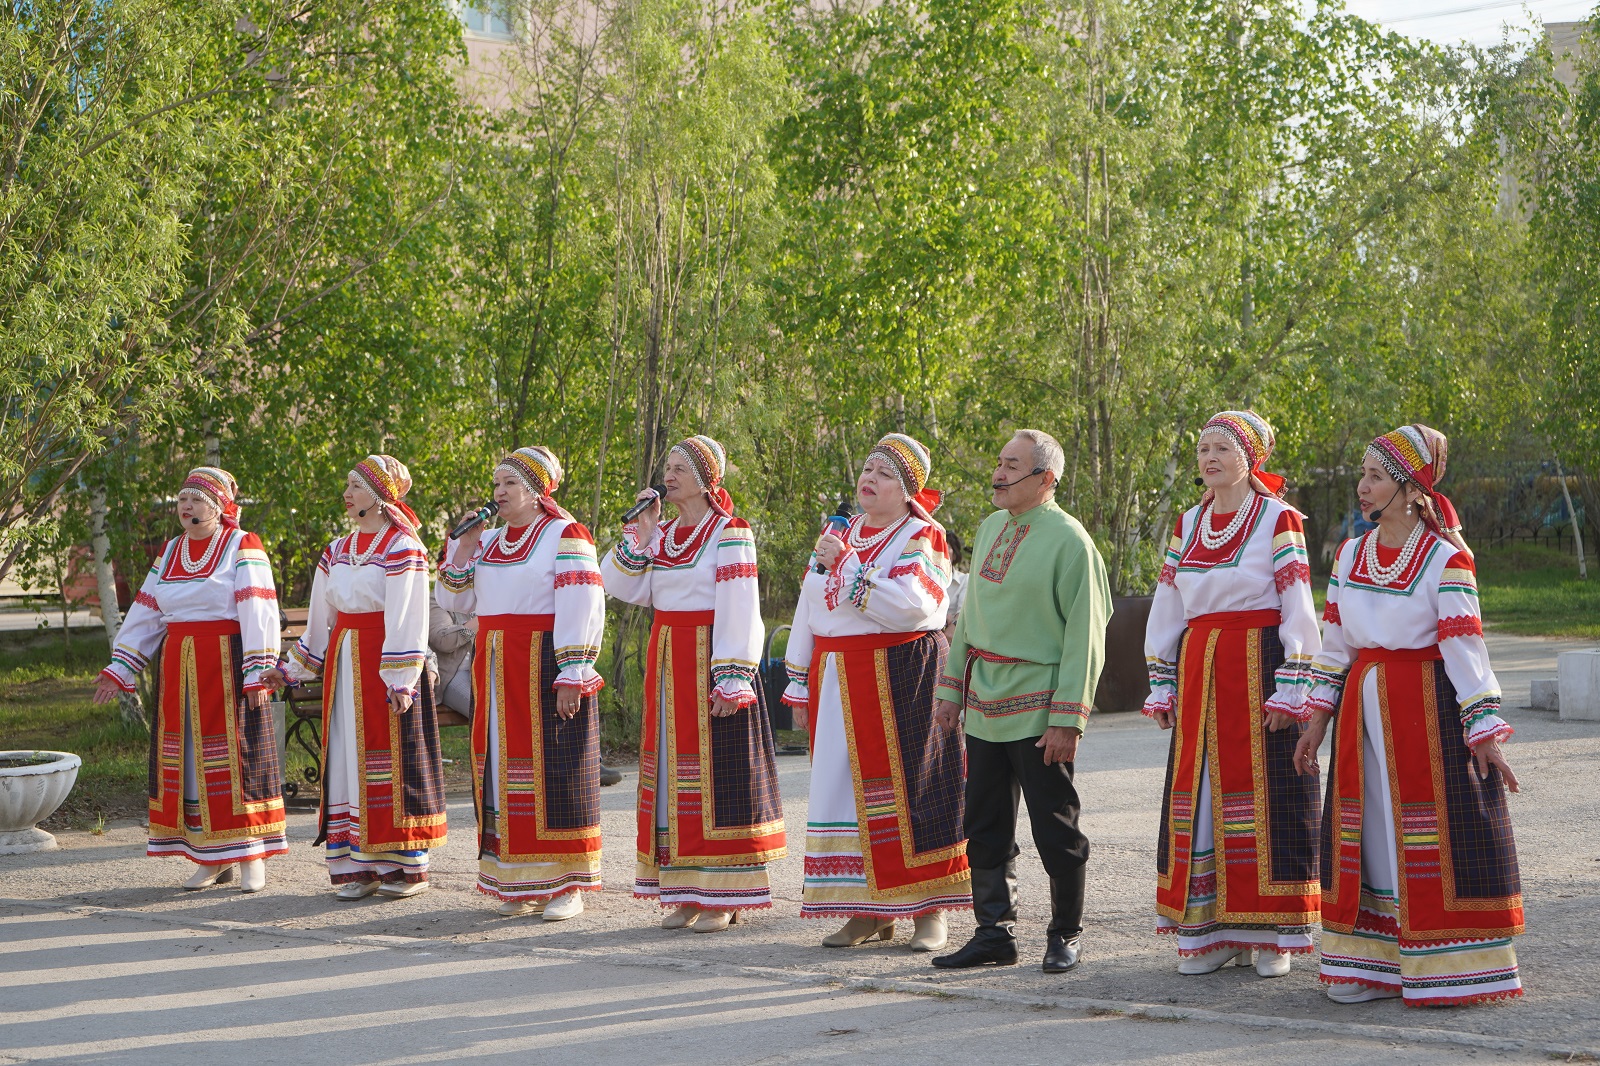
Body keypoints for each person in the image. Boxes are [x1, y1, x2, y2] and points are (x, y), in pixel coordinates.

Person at [1295, 425, 1523, 1007]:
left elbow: (1465, 648)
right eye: (1363, 476)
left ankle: (1441, 964)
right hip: (1361, 711)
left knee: (1422, 832)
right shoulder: (1351, 553)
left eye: (1375, 477)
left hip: (1424, 711)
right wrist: (1317, 719)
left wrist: (1484, 729)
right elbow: (1335, 642)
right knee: (1368, 829)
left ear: (1409, 488)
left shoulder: (1447, 559)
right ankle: (1367, 965)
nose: (1362, 488)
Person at [1142, 411, 1321, 978]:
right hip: (1201, 667)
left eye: (1223, 447)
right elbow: (1168, 603)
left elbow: (1298, 603)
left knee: (1270, 792)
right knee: (1201, 796)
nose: (1209, 457)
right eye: (1202, 448)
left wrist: (1294, 681)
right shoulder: (1188, 521)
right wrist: (1163, 676)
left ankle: (1271, 934)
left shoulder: (1279, 519)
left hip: (1260, 661)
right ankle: (1210, 929)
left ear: (1250, 458)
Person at [931, 429, 1111, 973]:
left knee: (1054, 823)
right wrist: (950, 689)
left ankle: (1064, 934)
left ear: (1046, 479)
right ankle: (994, 933)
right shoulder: (989, 528)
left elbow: (1087, 634)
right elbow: (968, 620)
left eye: (1014, 465)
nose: (999, 473)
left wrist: (1068, 718)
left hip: (1040, 707)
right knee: (983, 821)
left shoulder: (1071, 541)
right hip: (984, 701)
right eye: (1000, 461)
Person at [782, 433, 970, 952]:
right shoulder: (840, 535)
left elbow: (914, 602)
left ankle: (929, 910)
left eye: (885, 473)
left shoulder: (922, 536)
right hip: (838, 674)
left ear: (908, 489)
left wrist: (847, 568)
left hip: (901, 673)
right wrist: (797, 678)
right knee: (843, 790)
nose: (870, 478)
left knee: (916, 783)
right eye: (868, 468)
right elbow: (809, 604)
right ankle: (864, 909)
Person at [600, 434, 786, 932]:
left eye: (681, 468)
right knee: (671, 774)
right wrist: (641, 532)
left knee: (718, 772)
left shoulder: (730, 532)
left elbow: (742, 606)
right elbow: (618, 584)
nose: (669, 474)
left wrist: (732, 674)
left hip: (709, 656)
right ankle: (683, 889)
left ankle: (724, 892)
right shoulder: (661, 536)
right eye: (668, 466)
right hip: (668, 658)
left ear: (706, 479)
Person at [261, 454, 446, 900]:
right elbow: (321, 621)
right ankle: (356, 866)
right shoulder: (337, 549)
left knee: (391, 756)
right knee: (346, 754)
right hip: (346, 661)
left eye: (356, 486)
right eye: (347, 485)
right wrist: (289, 670)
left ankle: (403, 866)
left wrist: (401, 680)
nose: (347, 493)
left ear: (382, 497)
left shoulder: (405, 547)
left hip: (386, 662)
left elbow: (409, 618)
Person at [93, 468, 283, 893]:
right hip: (179, 666)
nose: (186, 505)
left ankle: (251, 854)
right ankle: (208, 857)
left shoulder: (241, 545)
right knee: (191, 762)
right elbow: (146, 612)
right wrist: (121, 667)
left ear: (217, 507)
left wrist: (258, 671)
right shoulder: (172, 550)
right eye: (182, 498)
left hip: (228, 663)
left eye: (196, 499)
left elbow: (259, 610)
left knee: (237, 754)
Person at [437, 447, 606, 922]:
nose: (499, 493)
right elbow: (453, 597)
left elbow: (584, 604)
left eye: (509, 484)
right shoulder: (488, 541)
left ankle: (566, 881)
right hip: (495, 660)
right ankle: (517, 875)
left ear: (536, 491)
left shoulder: (564, 535)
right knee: (501, 764)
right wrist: (465, 545)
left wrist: (573, 670)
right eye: (496, 484)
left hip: (544, 658)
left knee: (556, 765)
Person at [430, 586, 477, 719]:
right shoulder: (437, 598)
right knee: (488, 713)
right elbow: (444, 641)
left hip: (488, 668)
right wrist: (483, 619)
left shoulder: (488, 596)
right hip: (454, 673)